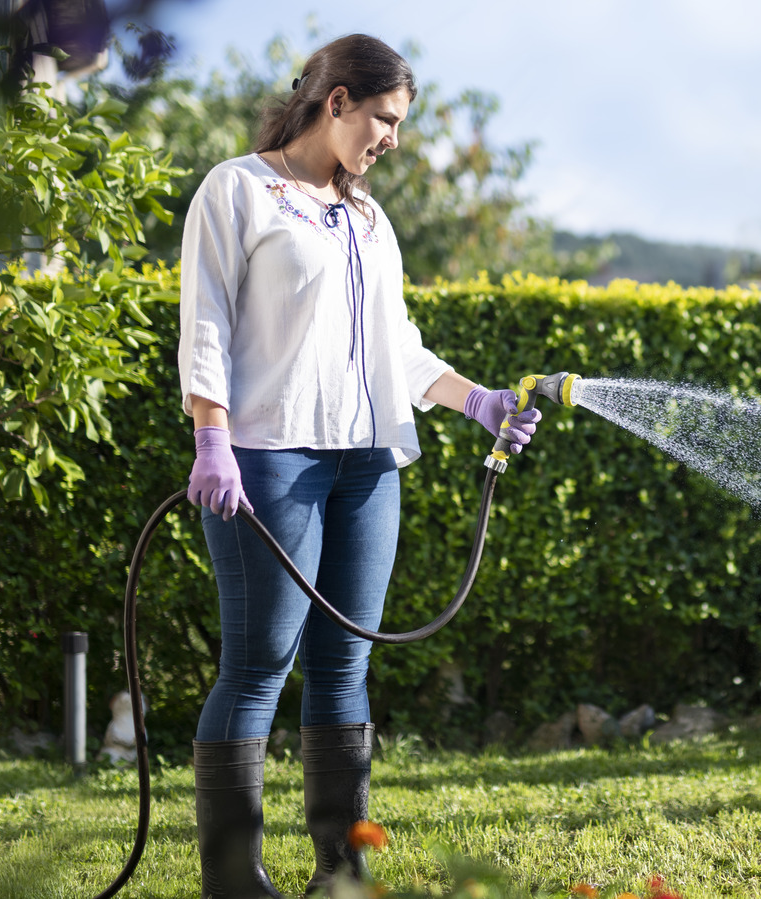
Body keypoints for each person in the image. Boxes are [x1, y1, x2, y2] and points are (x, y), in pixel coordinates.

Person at [177, 34, 540, 899]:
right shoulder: (239, 190)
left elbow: (400, 349)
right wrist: (211, 435)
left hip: (368, 462)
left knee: (345, 662)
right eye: (384, 118)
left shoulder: (369, 219)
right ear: (335, 101)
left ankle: (341, 870)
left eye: (399, 124)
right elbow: (207, 325)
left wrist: (477, 398)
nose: (393, 139)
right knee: (261, 656)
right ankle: (234, 879)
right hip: (266, 460)